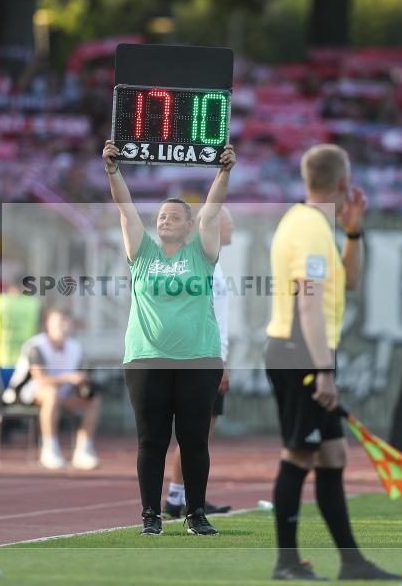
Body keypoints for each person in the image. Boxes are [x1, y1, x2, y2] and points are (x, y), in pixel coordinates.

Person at [265, 144, 401, 581]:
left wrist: (354, 234)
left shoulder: (316, 224)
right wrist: (323, 370)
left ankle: (352, 563)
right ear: (343, 181)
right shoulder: (308, 228)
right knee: (299, 454)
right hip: (301, 352)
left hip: (309, 351)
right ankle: (287, 563)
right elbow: (308, 304)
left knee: (333, 455)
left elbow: (350, 281)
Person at [102, 139, 234, 537]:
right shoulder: (142, 253)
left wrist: (224, 171)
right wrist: (113, 171)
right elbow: (126, 209)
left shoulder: (202, 253)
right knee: (151, 441)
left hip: (199, 360)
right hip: (146, 359)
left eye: (174, 217)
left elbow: (212, 210)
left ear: (190, 227)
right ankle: (150, 516)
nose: (165, 221)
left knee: (194, 440)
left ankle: (195, 513)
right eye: (161, 216)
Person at [163, 206, 234, 519]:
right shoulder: (203, 264)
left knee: (199, 434)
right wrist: (220, 360)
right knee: (196, 433)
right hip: (204, 357)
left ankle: (182, 496)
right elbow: (209, 318)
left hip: (207, 355)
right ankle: (179, 498)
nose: (232, 228)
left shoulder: (211, 263)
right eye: (229, 222)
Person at [13, 307, 101, 470]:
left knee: (92, 400)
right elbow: (40, 379)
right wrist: (69, 377)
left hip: (63, 394)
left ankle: (84, 451)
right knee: (51, 394)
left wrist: (84, 383)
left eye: (67, 322)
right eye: (60, 323)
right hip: (28, 393)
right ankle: (49, 450)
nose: (64, 327)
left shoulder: (76, 347)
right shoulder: (36, 346)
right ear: (48, 324)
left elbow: (81, 375)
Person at [0, 271, 41, 392]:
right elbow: (37, 329)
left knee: (6, 395)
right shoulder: (33, 303)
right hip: (26, 359)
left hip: (3, 357)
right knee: (24, 396)